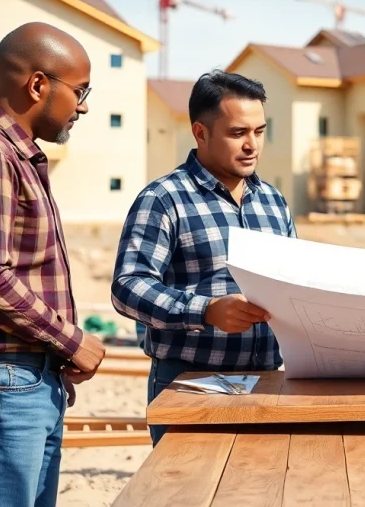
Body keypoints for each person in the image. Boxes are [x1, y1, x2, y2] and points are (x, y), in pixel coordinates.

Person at [0, 22, 107, 507]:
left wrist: (52, 359)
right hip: (1, 386)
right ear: (37, 85)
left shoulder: (14, 156)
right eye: (81, 91)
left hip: (23, 381)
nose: (85, 106)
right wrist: (72, 341)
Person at [111, 70, 295, 446]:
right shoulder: (164, 199)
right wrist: (206, 310)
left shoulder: (274, 201)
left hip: (269, 380)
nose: (252, 145)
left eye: (259, 132)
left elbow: (296, 282)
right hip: (191, 382)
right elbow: (128, 287)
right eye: (238, 133)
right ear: (200, 132)